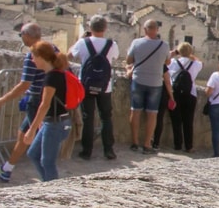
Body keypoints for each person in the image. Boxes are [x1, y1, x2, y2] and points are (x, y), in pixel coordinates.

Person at [0, 23, 52, 183]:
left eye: (21, 35)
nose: (21, 39)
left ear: (28, 36)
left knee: (39, 141)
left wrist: (2, 99)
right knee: (23, 135)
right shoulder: (52, 48)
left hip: (36, 100)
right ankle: (7, 170)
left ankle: (49, 177)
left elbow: (24, 84)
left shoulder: (33, 55)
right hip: (46, 97)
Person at [68, 15, 119, 160]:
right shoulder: (112, 44)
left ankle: (86, 151)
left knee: (88, 118)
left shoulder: (83, 43)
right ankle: (108, 150)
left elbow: (69, 56)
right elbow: (114, 57)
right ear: (105, 28)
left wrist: (80, 40)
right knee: (106, 118)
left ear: (90, 28)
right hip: (105, 87)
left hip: (86, 85)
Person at [24, 40, 72, 182]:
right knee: (33, 154)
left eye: (34, 57)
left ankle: (52, 189)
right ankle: (47, 182)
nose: (32, 60)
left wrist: (32, 129)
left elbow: (44, 105)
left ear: (41, 57)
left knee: (47, 162)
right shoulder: (56, 73)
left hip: (55, 124)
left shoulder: (51, 78)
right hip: (53, 122)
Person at [125, 19, 170, 154]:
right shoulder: (164, 45)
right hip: (156, 83)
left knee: (135, 111)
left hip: (138, 80)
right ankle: (146, 144)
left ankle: (134, 142)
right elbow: (167, 62)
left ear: (145, 30)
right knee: (152, 114)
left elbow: (129, 60)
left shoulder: (136, 43)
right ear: (157, 30)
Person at [167, 42, 203, 153]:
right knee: (188, 121)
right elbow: (200, 61)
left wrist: (173, 53)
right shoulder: (196, 64)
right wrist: (191, 55)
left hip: (175, 94)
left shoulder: (173, 62)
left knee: (176, 120)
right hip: (190, 94)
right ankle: (189, 146)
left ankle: (177, 144)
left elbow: (165, 62)